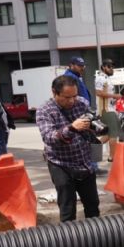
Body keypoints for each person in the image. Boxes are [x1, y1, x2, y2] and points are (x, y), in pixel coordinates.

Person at [36, 75, 100, 222]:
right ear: (54, 92)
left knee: (93, 206)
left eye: (74, 96)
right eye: (66, 97)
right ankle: (69, 241)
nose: (71, 101)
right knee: (67, 208)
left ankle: (96, 239)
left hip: (84, 162)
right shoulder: (45, 111)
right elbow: (49, 138)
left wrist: (95, 129)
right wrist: (71, 128)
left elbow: (91, 122)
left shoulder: (82, 103)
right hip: (61, 164)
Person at [95, 59, 123, 161]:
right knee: (113, 134)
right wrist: (115, 95)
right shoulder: (100, 78)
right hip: (105, 109)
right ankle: (112, 157)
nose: (112, 68)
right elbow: (98, 92)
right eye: (109, 66)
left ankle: (92, 147)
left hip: (110, 109)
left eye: (113, 66)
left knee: (108, 134)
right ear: (103, 67)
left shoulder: (107, 78)